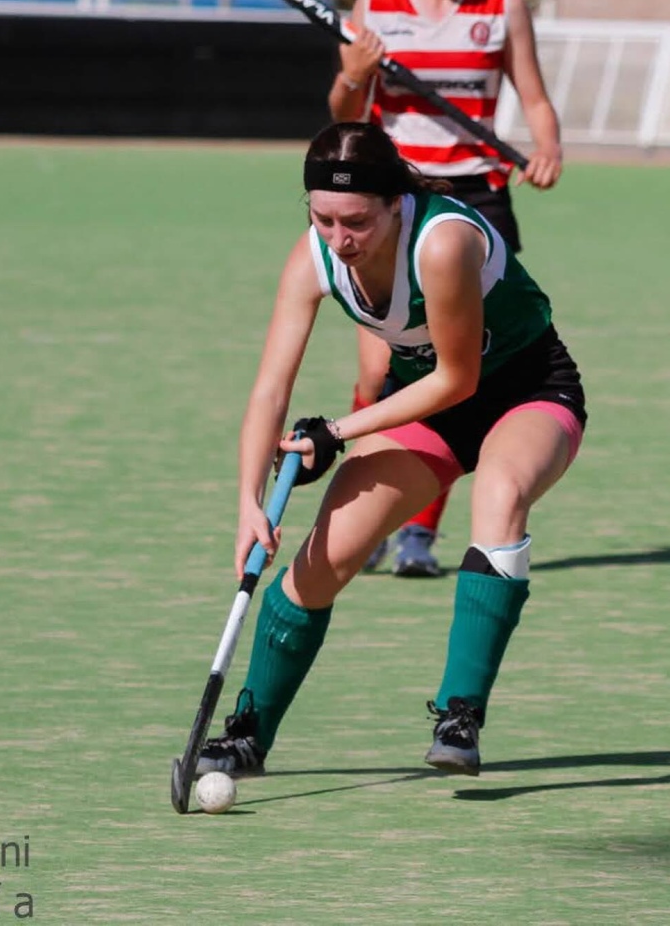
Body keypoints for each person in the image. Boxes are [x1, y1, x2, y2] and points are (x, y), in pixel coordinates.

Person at [196, 121, 585, 779]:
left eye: (357, 222)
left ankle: (459, 715)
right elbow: (270, 390)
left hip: (523, 391)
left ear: (394, 202)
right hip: (422, 406)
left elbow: (458, 379)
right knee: (324, 559)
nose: (340, 240)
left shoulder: (442, 243)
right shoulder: (315, 256)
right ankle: (247, 735)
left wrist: (338, 433)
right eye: (323, 220)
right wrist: (247, 503)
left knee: (500, 493)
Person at [328, 0, 564, 577]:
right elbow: (345, 111)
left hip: (475, 210)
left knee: (456, 376)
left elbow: (535, 99)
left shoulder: (501, 7)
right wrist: (353, 77)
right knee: (378, 376)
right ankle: (367, 512)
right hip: (395, 202)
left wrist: (548, 148)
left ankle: (417, 536)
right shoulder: (375, 4)